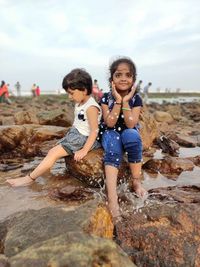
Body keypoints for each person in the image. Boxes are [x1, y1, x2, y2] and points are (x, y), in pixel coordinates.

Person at [7, 68, 101, 187]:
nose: (69, 97)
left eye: (71, 93)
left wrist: (84, 150)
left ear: (84, 90)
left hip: (83, 138)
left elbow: (94, 130)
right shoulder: (81, 102)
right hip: (76, 134)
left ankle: (29, 178)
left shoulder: (91, 107)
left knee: (53, 153)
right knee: (53, 149)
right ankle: (46, 172)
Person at [99, 57, 147, 220]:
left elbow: (131, 123)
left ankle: (136, 181)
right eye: (118, 75)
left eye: (128, 75)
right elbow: (110, 123)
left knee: (132, 135)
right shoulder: (106, 98)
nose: (123, 78)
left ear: (133, 79)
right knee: (113, 145)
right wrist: (118, 101)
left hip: (128, 131)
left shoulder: (136, 99)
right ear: (112, 79)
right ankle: (112, 200)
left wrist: (126, 101)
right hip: (110, 132)